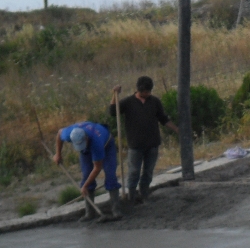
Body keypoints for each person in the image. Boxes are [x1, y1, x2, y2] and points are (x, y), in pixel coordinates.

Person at [110, 76, 178, 204]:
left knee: (148, 172)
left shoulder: (155, 102)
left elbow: (163, 119)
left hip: (152, 143)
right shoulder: (128, 102)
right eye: (144, 92)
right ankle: (131, 197)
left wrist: (176, 129)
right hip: (135, 144)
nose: (146, 94)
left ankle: (144, 195)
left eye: (148, 91)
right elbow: (113, 111)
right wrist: (115, 95)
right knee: (134, 172)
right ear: (138, 90)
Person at [54, 121, 122, 222]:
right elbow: (59, 134)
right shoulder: (69, 133)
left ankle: (116, 211)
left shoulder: (96, 143)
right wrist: (58, 154)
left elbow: (97, 168)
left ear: (86, 138)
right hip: (87, 150)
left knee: (110, 175)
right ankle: (90, 213)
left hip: (106, 145)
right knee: (86, 174)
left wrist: (84, 186)